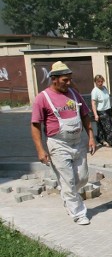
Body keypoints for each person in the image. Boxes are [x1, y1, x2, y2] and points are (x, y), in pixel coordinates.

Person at [31, 61, 96, 226]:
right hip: (58, 144)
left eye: (69, 79)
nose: (68, 83)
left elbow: (85, 115)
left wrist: (90, 136)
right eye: (64, 80)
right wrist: (40, 149)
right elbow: (35, 125)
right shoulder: (42, 98)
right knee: (68, 181)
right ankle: (78, 213)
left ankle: (68, 196)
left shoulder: (74, 94)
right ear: (54, 79)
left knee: (82, 177)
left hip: (77, 142)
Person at [91, 74, 112, 148]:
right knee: (108, 127)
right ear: (95, 82)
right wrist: (95, 114)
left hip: (108, 109)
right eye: (98, 82)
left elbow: (108, 99)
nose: (100, 83)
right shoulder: (95, 91)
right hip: (101, 111)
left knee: (105, 126)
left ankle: (101, 139)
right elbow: (93, 103)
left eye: (101, 81)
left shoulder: (104, 88)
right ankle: (111, 142)